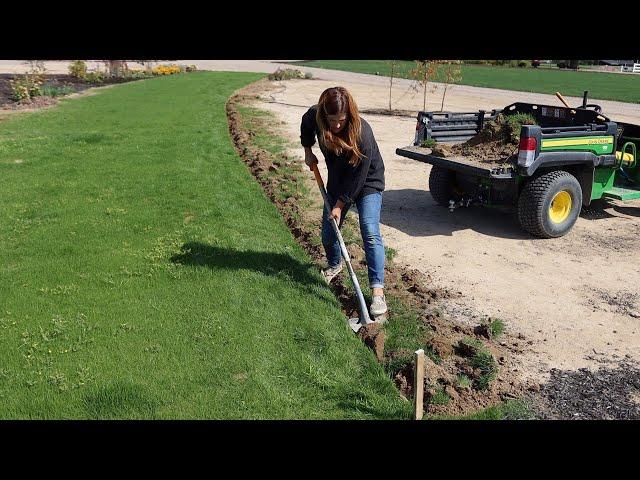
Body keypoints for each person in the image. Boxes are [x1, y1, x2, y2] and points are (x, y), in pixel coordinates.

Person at [300, 86, 387, 317]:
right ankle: (335, 264)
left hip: (367, 181)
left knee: (369, 230)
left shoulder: (362, 133)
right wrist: (308, 149)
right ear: (324, 115)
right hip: (338, 181)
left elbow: (358, 179)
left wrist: (340, 205)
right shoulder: (316, 116)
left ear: (348, 113)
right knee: (329, 235)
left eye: (341, 120)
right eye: (332, 120)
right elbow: (306, 123)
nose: (336, 125)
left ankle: (377, 292)